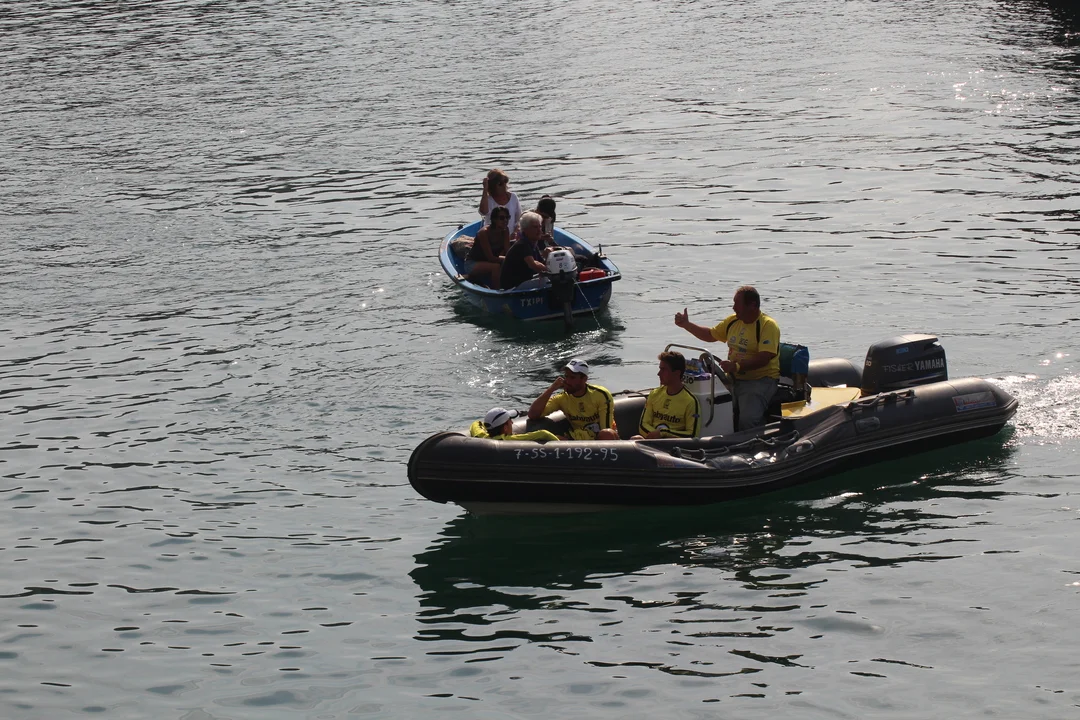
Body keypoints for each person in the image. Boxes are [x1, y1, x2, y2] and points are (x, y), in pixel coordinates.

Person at [674, 285, 780, 431]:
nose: (733, 307)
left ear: (752, 305)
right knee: (709, 404)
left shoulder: (768, 325)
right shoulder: (733, 321)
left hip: (760, 380)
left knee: (747, 420)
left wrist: (736, 366)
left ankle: (753, 439)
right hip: (732, 377)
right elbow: (710, 335)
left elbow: (764, 358)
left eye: (737, 303)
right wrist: (686, 325)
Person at [528, 358, 618, 441]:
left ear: (584, 379)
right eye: (566, 376)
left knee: (607, 433)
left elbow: (606, 429)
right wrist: (551, 389)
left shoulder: (600, 395)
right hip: (576, 441)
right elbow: (533, 415)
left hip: (599, 440)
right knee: (553, 439)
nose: (567, 381)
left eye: (572, 377)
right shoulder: (561, 398)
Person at [632, 351, 701, 439]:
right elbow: (643, 425)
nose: (659, 374)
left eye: (663, 370)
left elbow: (692, 435)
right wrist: (656, 435)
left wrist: (664, 433)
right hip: (651, 442)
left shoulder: (690, 401)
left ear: (677, 373)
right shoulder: (654, 394)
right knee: (636, 438)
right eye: (660, 369)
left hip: (674, 446)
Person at [499, 211, 551, 290]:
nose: (539, 230)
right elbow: (533, 265)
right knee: (548, 281)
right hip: (512, 287)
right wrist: (551, 271)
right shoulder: (522, 245)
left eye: (540, 227)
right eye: (535, 227)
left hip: (523, 282)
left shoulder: (532, 244)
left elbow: (540, 263)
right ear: (525, 230)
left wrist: (548, 258)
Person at [465, 205, 511, 288]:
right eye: (501, 218)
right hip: (473, 263)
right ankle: (497, 291)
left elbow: (508, 251)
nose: (505, 220)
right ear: (494, 219)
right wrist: (508, 260)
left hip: (491, 261)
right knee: (496, 267)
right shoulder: (484, 233)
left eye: (507, 217)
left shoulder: (505, 230)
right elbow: (490, 258)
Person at [470, 407, 559, 442]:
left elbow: (476, 423)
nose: (512, 423)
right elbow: (543, 433)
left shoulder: (481, 436)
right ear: (505, 428)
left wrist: (491, 427)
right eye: (510, 421)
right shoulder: (511, 439)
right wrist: (560, 445)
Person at [478, 168, 522, 233]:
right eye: (500, 184)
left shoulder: (513, 197)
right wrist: (485, 189)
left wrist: (515, 232)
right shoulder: (488, 200)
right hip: (492, 236)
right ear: (492, 186)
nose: (504, 185)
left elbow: (519, 219)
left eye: (505, 181)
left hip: (511, 235)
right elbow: (483, 212)